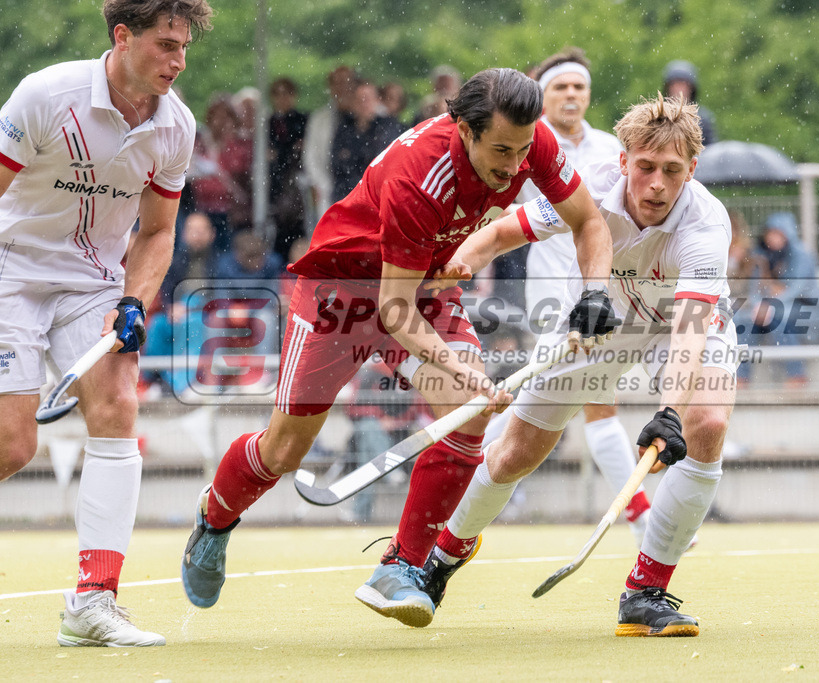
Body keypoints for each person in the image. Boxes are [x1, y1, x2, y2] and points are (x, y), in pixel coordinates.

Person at [180, 69, 617, 625]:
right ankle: (215, 517)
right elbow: (392, 310)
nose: (514, 165)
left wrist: (596, 293)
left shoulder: (533, 141)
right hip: (342, 294)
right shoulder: (422, 176)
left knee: (467, 415)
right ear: (463, 128)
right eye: (501, 151)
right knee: (283, 452)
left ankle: (403, 568)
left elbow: (589, 221)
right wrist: (464, 365)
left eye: (522, 150)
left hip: (422, 287)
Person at [415, 94, 738, 637]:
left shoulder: (705, 222)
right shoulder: (584, 189)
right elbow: (499, 234)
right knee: (518, 451)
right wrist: (457, 266)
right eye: (646, 167)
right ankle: (442, 559)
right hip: (598, 324)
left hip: (684, 323)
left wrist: (668, 414)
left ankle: (645, 591)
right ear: (624, 162)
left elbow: (689, 328)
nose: (657, 183)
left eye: (672, 171)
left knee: (706, 422)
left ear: (692, 171)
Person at [0, 0, 212, 647]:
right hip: (11, 269)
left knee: (119, 406)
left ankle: (93, 601)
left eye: (184, 48)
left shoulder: (176, 126)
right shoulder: (45, 95)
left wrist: (134, 302)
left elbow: (157, 231)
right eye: (166, 45)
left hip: (94, 282)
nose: (178, 61)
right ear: (123, 37)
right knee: (13, 444)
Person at [490, 47, 653, 545]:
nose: (570, 95)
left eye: (578, 87)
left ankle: (640, 514)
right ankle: (642, 516)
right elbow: (498, 212)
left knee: (589, 401)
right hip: (549, 295)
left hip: (599, 292)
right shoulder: (525, 145)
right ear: (543, 97)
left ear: (588, 95)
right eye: (560, 87)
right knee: (567, 402)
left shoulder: (610, 147)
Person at [738, 212, 819, 387]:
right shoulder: (761, 256)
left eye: (778, 233)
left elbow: (797, 290)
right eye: (770, 233)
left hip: (807, 308)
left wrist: (769, 306)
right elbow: (755, 288)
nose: (773, 238)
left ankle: (796, 375)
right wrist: (760, 305)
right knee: (745, 321)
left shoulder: (801, 255)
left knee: (778, 317)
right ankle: (741, 376)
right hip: (773, 308)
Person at [189, 94, 253, 251]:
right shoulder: (200, 144)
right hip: (201, 210)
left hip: (232, 215)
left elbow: (242, 177)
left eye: (225, 116)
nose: (220, 122)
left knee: (227, 252)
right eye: (215, 116)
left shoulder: (241, 146)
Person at [329, 79, 405, 202]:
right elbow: (336, 162)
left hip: (376, 197)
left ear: (377, 100)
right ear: (353, 102)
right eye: (359, 99)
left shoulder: (389, 127)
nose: (363, 103)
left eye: (367, 98)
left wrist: (351, 156)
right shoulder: (344, 127)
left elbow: (382, 163)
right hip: (346, 196)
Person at [304, 65, 356, 219]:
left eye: (347, 82)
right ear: (330, 87)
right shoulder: (319, 119)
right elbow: (311, 157)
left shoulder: (369, 116)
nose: (343, 87)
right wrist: (322, 184)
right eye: (337, 82)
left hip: (362, 188)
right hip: (329, 190)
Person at [267, 76, 308, 262]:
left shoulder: (302, 120)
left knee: (298, 231)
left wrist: (282, 153)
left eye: (287, 93)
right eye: (278, 94)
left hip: (296, 185)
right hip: (275, 185)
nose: (282, 98)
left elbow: (296, 151)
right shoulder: (268, 123)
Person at [662, 60, 716, 146]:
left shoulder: (702, 118)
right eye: (675, 85)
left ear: (691, 89)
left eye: (683, 85)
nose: (678, 89)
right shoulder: (659, 115)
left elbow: (709, 149)